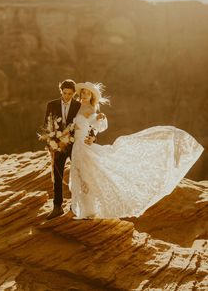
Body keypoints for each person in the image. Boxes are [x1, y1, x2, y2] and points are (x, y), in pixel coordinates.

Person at [69, 82, 204, 219]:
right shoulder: (75, 107)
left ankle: (89, 212)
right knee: (79, 176)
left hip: (85, 146)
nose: (84, 95)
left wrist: (93, 137)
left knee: (88, 177)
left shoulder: (92, 109)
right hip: (76, 146)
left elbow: (95, 128)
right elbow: (71, 124)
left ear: (91, 96)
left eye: (87, 93)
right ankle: (84, 210)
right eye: (83, 92)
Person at [43, 79, 91, 219]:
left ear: (74, 93)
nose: (67, 96)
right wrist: (50, 142)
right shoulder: (51, 105)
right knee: (57, 176)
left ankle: (75, 206)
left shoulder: (78, 106)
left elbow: (87, 123)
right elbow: (47, 124)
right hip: (57, 146)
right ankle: (57, 207)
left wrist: (92, 137)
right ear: (61, 91)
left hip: (74, 145)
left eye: (70, 94)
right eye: (65, 93)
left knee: (77, 174)